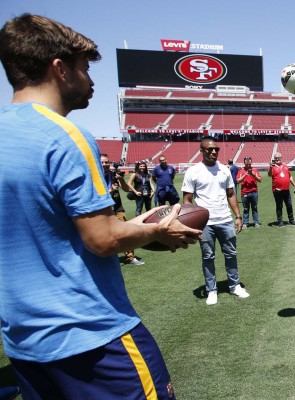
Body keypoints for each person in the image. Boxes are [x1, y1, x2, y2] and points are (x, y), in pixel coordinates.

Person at [0, 14, 201, 399]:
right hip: (90, 335)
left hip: (24, 343)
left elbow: (53, 229)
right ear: (59, 69)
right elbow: (102, 239)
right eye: (85, 68)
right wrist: (159, 230)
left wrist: (144, 221)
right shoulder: (65, 135)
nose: (91, 81)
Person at [182, 137, 250, 305]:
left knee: (231, 254)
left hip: (225, 220)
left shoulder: (225, 170)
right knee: (208, 257)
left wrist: (238, 216)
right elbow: (187, 200)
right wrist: (192, 224)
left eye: (216, 149)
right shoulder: (193, 172)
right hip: (205, 223)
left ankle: (234, 286)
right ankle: (211, 289)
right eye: (209, 149)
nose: (213, 152)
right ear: (202, 151)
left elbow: (231, 194)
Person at [101, 154, 144, 265]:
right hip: (102, 210)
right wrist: (110, 191)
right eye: (102, 162)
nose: (105, 164)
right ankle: (107, 258)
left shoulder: (113, 174)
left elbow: (125, 189)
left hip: (117, 207)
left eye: (107, 162)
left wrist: (121, 179)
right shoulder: (95, 177)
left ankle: (130, 257)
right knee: (104, 235)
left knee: (125, 233)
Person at [267, 152, 295, 227]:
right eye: (276, 158)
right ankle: (280, 221)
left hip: (286, 190)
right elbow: (269, 175)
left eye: (278, 158)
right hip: (277, 190)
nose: (277, 159)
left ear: (281, 158)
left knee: (289, 205)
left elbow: (290, 177)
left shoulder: (285, 166)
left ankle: (291, 220)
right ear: (274, 159)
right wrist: (271, 167)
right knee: (279, 206)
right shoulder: (273, 167)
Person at [236, 156, 262, 228]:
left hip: (254, 192)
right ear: (244, 162)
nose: (248, 164)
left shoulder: (255, 170)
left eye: (249, 162)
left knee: (254, 208)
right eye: (246, 162)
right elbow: (237, 181)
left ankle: (256, 222)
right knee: (246, 209)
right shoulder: (241, 171)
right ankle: (245, 223)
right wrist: (245, 175)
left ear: (251, 162)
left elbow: (260, 180)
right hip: (245, 192)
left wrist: (253, 175)